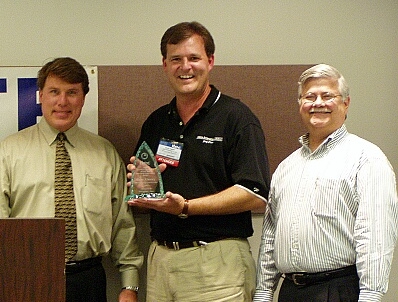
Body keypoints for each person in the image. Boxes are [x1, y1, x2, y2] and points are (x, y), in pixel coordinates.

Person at [126, 21, 270, 301]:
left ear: (210, 61)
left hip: (216, 262)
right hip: (161, 262)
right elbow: (143, 189)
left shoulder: (236, 118)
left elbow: (255, 195)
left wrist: (185, 207)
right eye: (176, 59)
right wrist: (139, 185)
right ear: (164, 65)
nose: (185, 67)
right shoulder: (157, 122)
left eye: (194, 58)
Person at [0, 57, 143, 302]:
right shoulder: (9, 152)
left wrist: (130, 285)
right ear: (40, 95)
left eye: (72, 92)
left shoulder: (104, 153)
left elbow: (122, 222)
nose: (62, 102)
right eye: (54, 91)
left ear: (83, 98)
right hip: (26, 277)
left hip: (87, 279)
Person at [253, 64, 398, 302]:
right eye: (309, 97)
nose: (317, 102)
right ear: (300, 104)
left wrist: (371, 295)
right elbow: (271, 235)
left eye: (327, 96)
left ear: (346, 103)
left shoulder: (367, 159)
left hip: (339, 290)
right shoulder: (286, 167)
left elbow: (376, 235)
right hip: (290, 292)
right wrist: (264, 291)